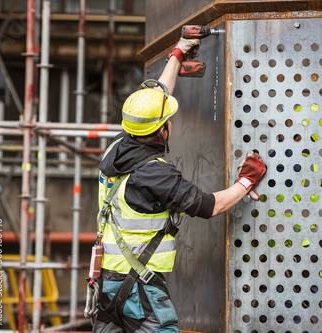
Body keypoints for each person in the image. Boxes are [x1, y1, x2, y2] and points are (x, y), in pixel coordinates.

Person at [91, 38, 266, 333]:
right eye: (168, 120)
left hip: (108, 283)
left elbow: (158, 94)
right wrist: (246, 180)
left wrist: (177, 53)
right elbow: (210, 206)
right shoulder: (155, 174)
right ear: (162, 130)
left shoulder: (116, 149)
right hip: (140, 288)